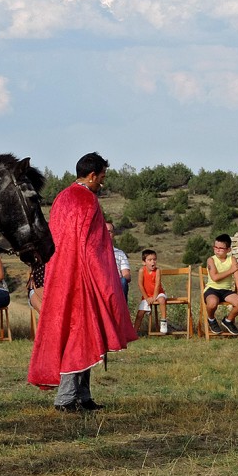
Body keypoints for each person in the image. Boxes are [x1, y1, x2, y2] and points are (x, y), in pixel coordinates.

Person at [27, 152, 136, 412]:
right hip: (83, 279)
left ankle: (83, 396)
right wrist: (105, 284)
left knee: (79, 334)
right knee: (79, 335)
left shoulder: (62, 198)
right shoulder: (87, 201)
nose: (102, 182)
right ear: (91, 175)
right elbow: (94, 248)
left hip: (62, 276)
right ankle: (66, 399)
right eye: (101, 177)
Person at [203, 234, 238, 336]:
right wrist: (231, 270)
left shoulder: (232, 260)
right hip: (212, 289)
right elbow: (215, 277)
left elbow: (237, 279)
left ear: (228, 250)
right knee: (212, 302)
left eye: (221, 248)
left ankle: (228, 320)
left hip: (226, 290)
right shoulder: (211, 260)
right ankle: (211, 318)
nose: (217, 250)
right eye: (215, 247)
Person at [135, 249, 168, 335]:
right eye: (150, 260)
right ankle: (134, 332)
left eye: (154, 259)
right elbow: (140, 285)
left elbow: (157, 285)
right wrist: (147, 298)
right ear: (144, 262)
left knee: (161, 300)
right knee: (140, 314)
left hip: (158, 293)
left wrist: (154, 297)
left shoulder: (157, 271)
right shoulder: (142, 271)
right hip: (147, 295)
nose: (153, 262)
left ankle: (163, 321)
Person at [107, 222, 132, 303]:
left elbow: (126, 274)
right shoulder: (95, 253)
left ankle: (122, 310)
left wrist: (118, 279)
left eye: (109, 232)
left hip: (117, 283)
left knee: (123, 281)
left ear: (113, 234)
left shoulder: (120, 253)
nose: (106, 234)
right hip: (101, 283)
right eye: (104, 231)